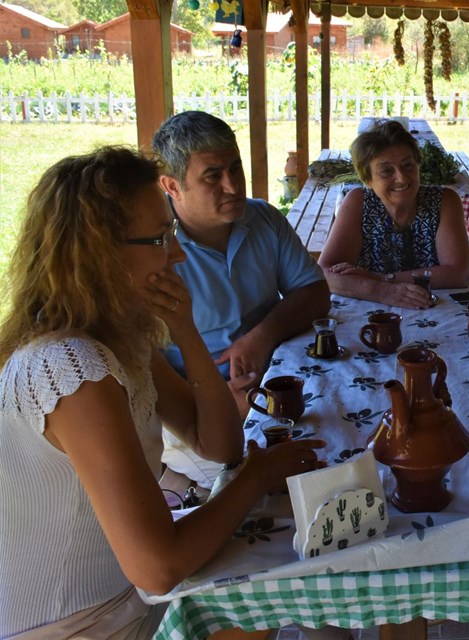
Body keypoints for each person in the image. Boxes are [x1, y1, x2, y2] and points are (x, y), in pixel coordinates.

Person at [0, 147, 326, 638]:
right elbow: (159, 566)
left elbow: (218, 445)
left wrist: (185, 332)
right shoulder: (71, 368)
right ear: (100, 254)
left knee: (272, 593)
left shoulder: (112, 338)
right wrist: (254, 478)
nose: (176, 252)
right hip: (77, 626)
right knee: (270, 601)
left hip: (122, 600)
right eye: (159, 237)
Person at [152, 111, 330, 486]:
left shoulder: (263, 218)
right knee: (282, 487)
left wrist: (262, 336)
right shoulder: (155, 251)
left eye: (236, 168)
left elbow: (315, 292)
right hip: (193, 415)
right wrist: (211, 405)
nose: (233, 187)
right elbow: (142, 362)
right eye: (213, 176)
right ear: (172, 186)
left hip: (279, 382)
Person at [319, 120, 469, 309]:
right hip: (373, 314)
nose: (401, 177)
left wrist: (381, 279)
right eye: (386, 171)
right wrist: (382, 292)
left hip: (437, 310)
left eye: (408, 165)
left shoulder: (444, 201)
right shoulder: (358, 202)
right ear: (368, 180)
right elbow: (324, 274)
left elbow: (459, 275)